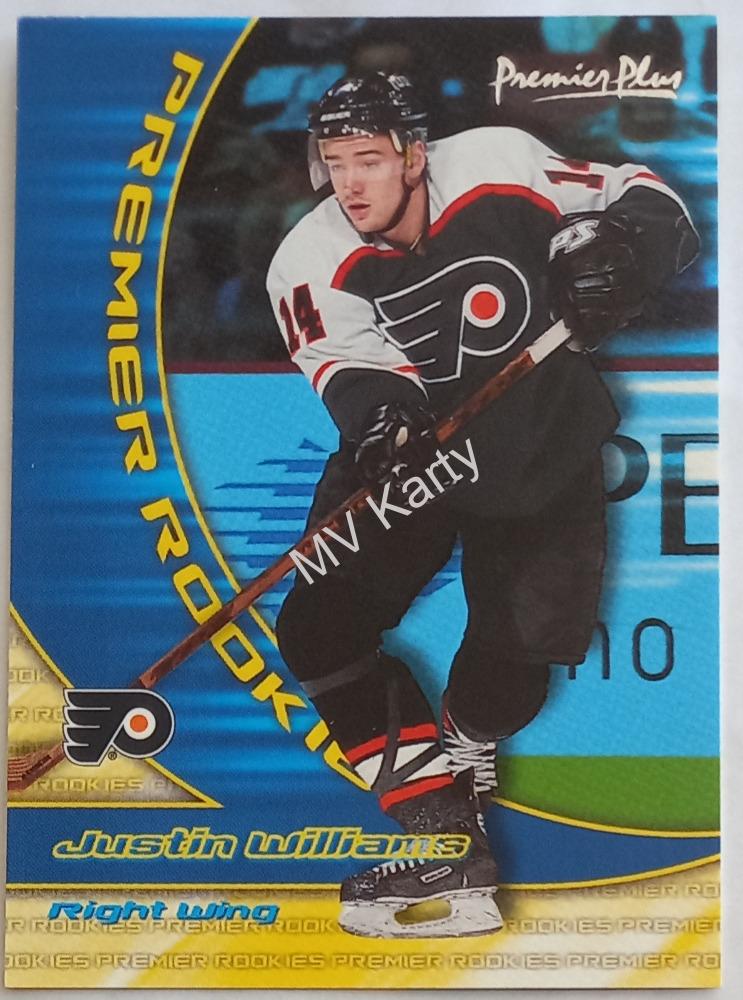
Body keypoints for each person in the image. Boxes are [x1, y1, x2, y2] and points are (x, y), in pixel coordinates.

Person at [266, 72, 698, 938]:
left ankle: (466, 746)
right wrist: (382, 424)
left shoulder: (499, 161)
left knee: (510, 668)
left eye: (368, 159)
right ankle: (443, 832)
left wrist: (618, 254)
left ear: (413, 155)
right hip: (413, 454)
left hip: (539, 437)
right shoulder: (306, 259)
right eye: (334, 162)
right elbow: (351, 373)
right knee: (318, 626)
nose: (349, 183)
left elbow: (650, 201)